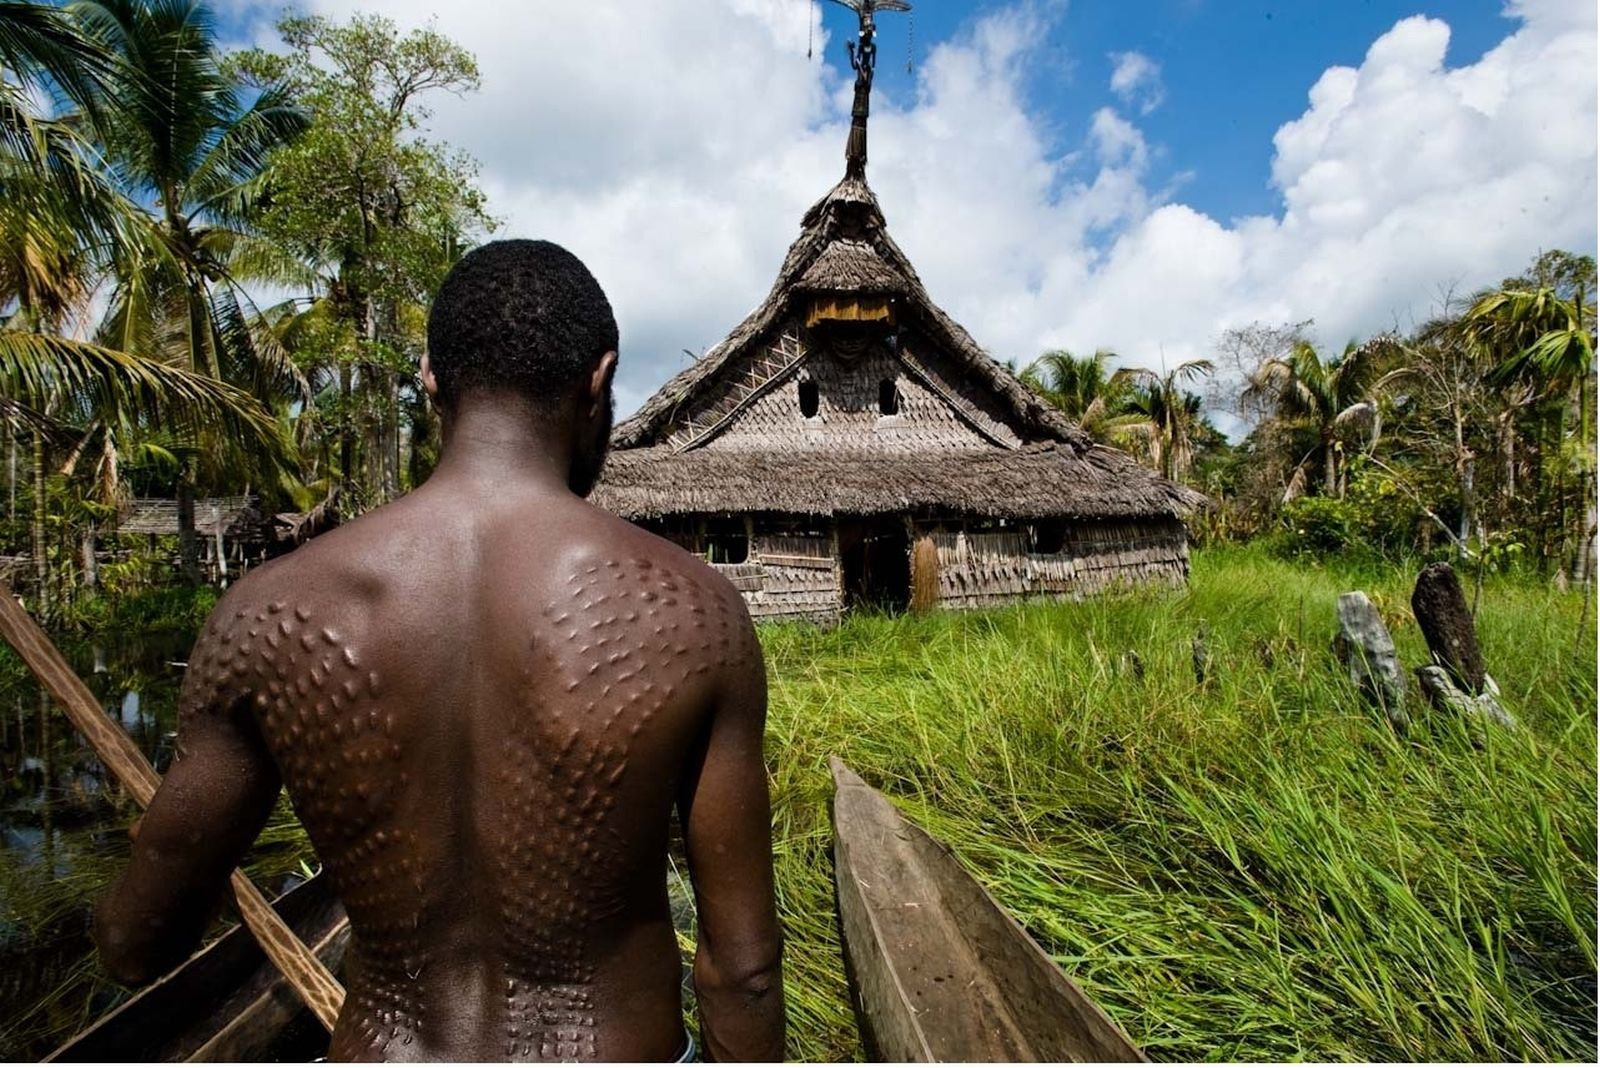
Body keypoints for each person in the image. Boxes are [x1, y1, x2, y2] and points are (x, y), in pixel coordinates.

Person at [93, 240, 786, 1062]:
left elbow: (136, 945)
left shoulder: (269, 613)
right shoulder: (691, 611)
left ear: (428, 378)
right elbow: (742, 970)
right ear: (599, 382)